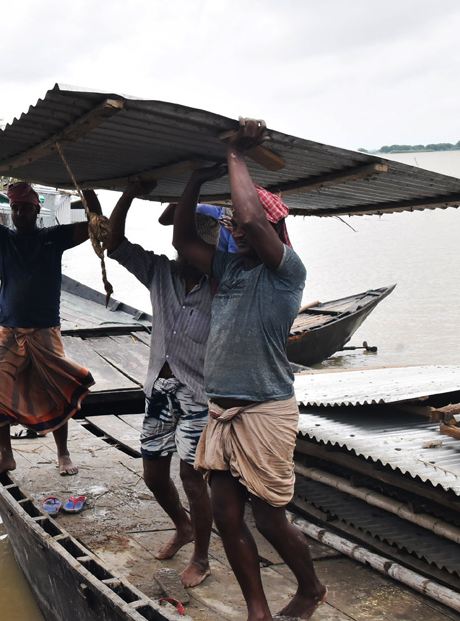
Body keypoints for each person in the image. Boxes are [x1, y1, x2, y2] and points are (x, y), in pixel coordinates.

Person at [172, 118, 326, 621]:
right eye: (230, 228)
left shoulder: (286, 271)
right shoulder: (230, 267)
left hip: (264, 411)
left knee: (270, 517)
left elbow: (255, 222)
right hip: (222, 413)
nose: (235, 231)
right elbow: (181, 243)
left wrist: (236, 154)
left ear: (274, 228)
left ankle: (310, 589)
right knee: (226, 515)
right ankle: (257, 610)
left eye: (241, 225)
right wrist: (196, 180)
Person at [90, 179, 218, 589]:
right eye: (183, 243)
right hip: (159, 391)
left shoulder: (223, 286)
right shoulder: (161, 272)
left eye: (193, 244)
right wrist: (129, 192)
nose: (184, 250)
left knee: (193, 479)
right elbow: (116, 243)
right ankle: (183, 526)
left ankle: (202, 556)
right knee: (152, 473)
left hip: (198, 394)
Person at [0, 175, 100, 481]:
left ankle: (62, 452)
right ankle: (6, 457)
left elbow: (95, 225)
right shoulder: (1, 238)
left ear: (37, 211)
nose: (19, 213)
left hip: (45, 329)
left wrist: (85, 184)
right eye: (15, 208)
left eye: (25, 207)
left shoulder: (53, 237)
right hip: (8, 329)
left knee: (56, 390)